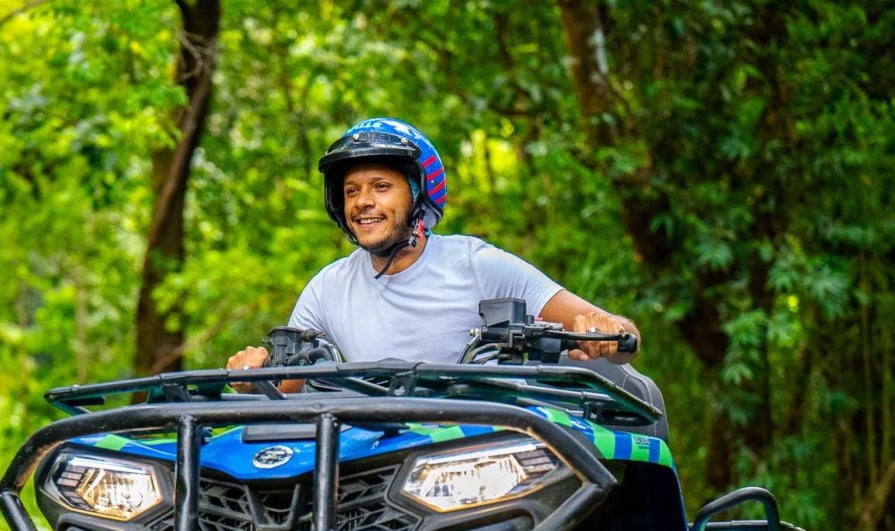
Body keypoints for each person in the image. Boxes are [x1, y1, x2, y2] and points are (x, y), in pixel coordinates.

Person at [226, 117, 639, 374]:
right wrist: (253, 373)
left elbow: (623, 336)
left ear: (419, 196)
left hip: (474, 457)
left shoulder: (479, 265)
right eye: (351, 191)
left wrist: (604, 331)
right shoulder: (327, 287)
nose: (363, 201)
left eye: (381, 187)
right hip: (366, 464)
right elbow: (286, 387)